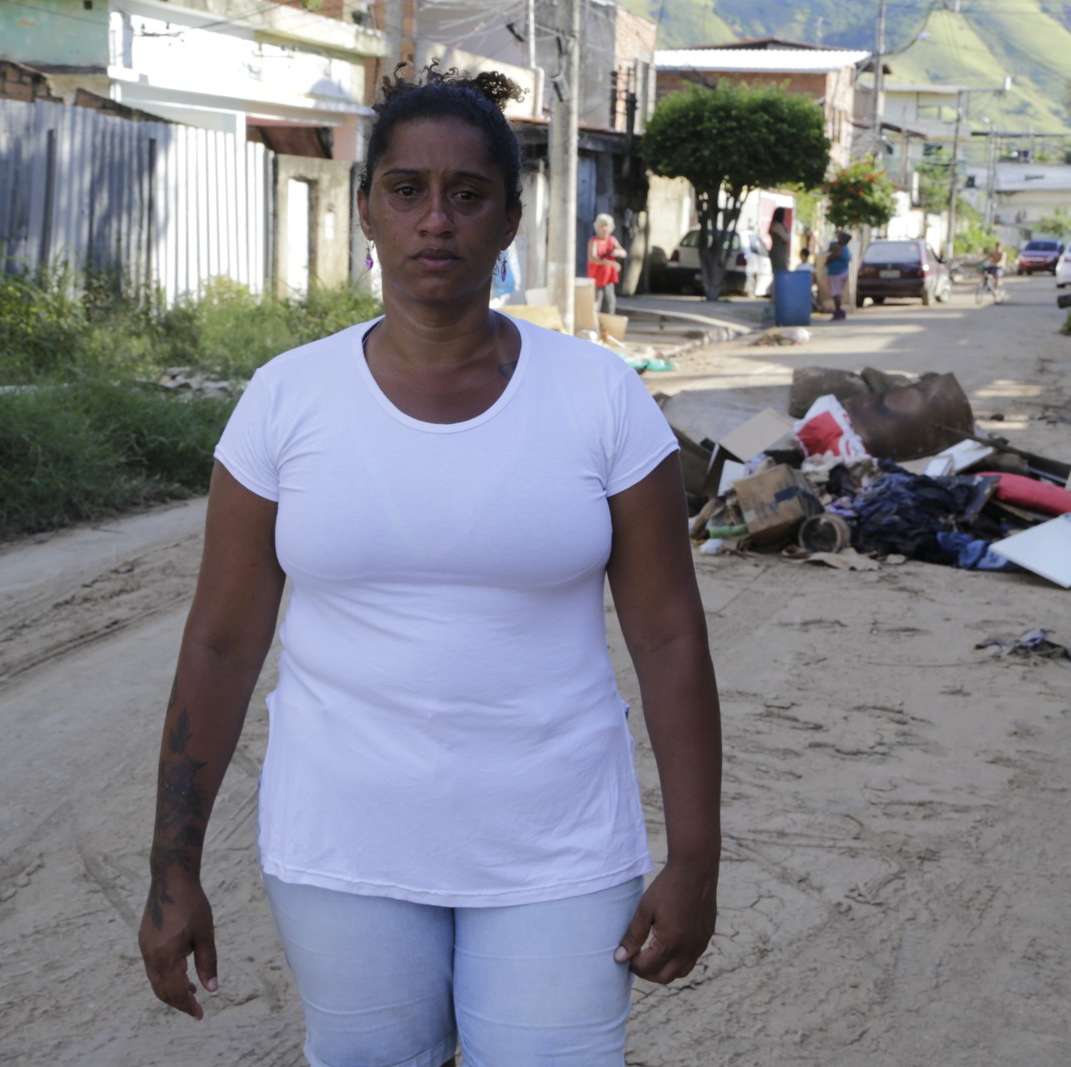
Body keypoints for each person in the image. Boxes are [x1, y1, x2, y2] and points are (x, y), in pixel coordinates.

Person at [137, 65, 722, 1067]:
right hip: (342, 849)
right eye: (406, 189)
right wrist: (170, 865)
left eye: (467, 193)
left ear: (510, 215)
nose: (435, 219)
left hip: (559, 849)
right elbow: (223, 642)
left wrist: (695, 858)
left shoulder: (601, 397)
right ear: (366, 208)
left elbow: (669, 636)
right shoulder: (287, 400)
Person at [588, 212, 628, 314]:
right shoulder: (594, 241)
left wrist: (618, 252)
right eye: (602, 226)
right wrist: (610, 263)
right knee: (596, 304)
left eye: (607, 226)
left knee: (610, 303)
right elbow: (593, 258)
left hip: (608, 279)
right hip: (596, 279)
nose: (604, 229)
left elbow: (624, 252)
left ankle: (608, 327)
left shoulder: (612, 240)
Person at [825, 230, 853, 319]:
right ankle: (838, 311)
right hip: (842, 272)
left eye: (840, 237)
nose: (838, 239)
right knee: (837, 293)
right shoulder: (846, 249)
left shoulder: (840, 248)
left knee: (836, 293)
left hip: (836, 273)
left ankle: (838, 311)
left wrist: (828, 260)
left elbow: (833, 256)